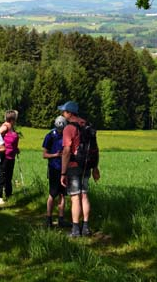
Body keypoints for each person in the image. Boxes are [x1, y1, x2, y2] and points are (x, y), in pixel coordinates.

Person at [58, 101, 99, 237]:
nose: (62, 114)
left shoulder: (69, 128)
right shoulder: (87, 125)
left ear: (69, 113)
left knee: (75, 197)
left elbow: (66, 151)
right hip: (87, 165)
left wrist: (63, 172)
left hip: (74, 166)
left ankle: (75, 230)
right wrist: (95, 167)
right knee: (84, 195)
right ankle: (86, 227)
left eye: (64, 112)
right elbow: (94, 148)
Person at [42, 115, 69, 228]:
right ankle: (49, 219)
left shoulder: (67, 135)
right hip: (54, 168)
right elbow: (44, 155)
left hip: (64, 168)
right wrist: (55, 155)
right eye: (59, 129)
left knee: (62, 194)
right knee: (52, 194)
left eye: (62, 129)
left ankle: (61, 219)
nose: (60, 131)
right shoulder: (50, 136)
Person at [0, 110, 19, 205]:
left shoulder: (11, 127)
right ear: (12, 119)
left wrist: (15, 148)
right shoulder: (5, 126)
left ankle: (8, 194)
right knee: (2, 176)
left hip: (11, 155)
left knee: (9, 176)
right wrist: (0, 147)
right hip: (4, 155)